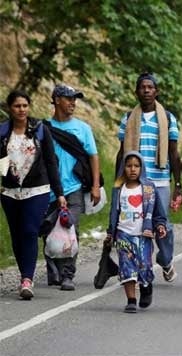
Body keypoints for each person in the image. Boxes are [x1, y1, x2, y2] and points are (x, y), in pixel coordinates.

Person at [116, 73, 182, 283]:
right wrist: (118, 180)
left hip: (160, 180)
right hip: (134, 182)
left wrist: (178, 184)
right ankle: (136, 267)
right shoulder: (128, 118)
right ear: (137, 92)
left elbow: (173, 152)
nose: (146, 90)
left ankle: (165, 259)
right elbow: (121, 151)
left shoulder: (168, 118)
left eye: (150, 87)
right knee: (134, 225)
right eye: (142, 87)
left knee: (163, 226)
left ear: (156, 91)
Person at [0, 91, 66, 300]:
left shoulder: (40, 130)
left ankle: (27, 279)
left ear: (29, 107)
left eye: (25, 105)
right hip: (10, 191)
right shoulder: (2, 131)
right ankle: (23, 274)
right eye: (17, 106)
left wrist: (60, 193)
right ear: (10, 108)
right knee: (17, 234)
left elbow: (51, 162)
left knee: (29, 230)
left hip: (38, 189)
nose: (21, 110)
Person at [43, 84, 101, 291]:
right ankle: (54, 271)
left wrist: (95, 185)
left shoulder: (83, 128)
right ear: (57, 99)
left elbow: (93, 157)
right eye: (69, 98)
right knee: (48, 229)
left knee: (70, 228)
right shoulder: (44, 128)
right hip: (48, 189)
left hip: (74, 187)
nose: (73, 103)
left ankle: (68, 274)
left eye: (75, 99)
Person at [105, 151, 167, 313]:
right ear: (123, 168)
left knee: (144, 266)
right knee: (126, 266)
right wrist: (111, 232)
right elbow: (114, 212)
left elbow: (158, 212)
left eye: (136, 166)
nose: (132, 169)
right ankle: (131, 299)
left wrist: (160, 225)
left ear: (142, 168)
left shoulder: (148, 188)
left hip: (143, 235)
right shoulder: (119, 189)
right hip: (123, 234)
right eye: (129, 166)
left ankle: (146, 287)